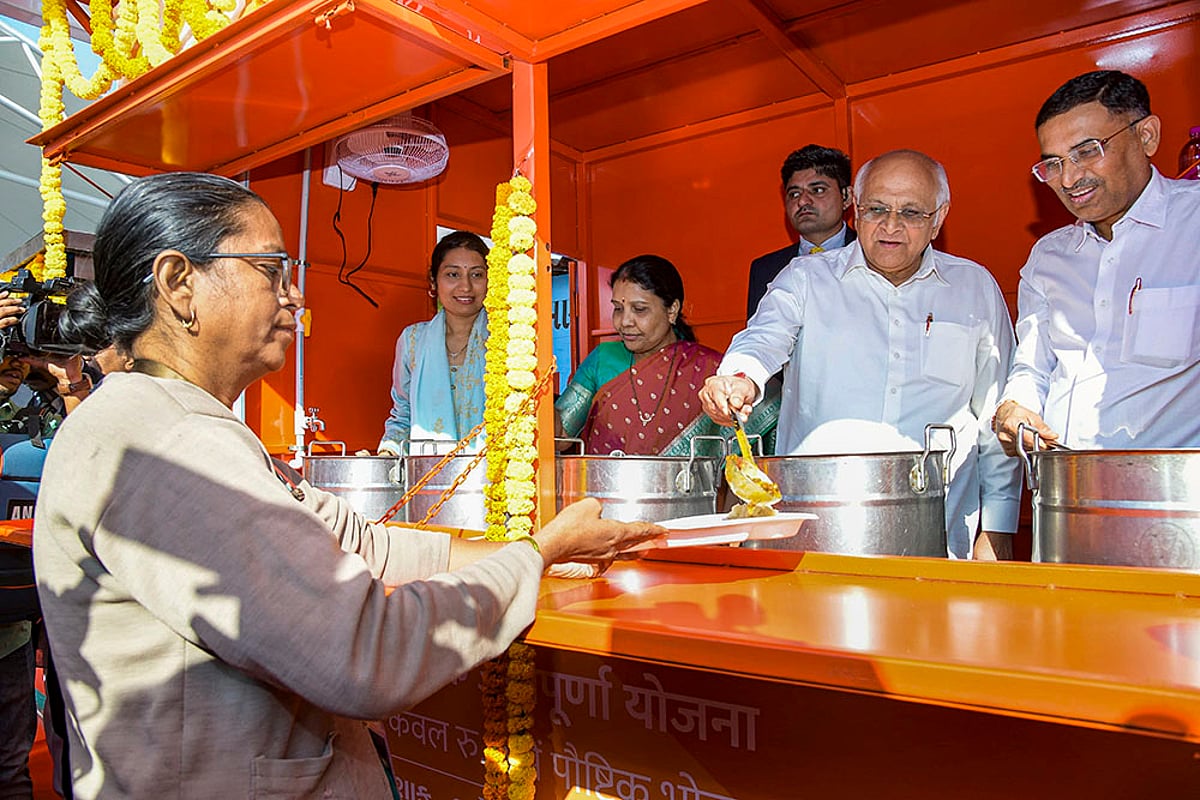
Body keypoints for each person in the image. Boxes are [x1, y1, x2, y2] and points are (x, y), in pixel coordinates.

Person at [32, 172, 664, 799]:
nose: (295, 296)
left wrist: (544, 550)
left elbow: (362, 543)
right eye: (271, 270)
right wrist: (536, 556)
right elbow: (362, 650)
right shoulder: (160, 444)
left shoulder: (185, 425)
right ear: (179, 283)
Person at [701, 150, 1022, 561]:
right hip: (815, 535)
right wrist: (739, 377)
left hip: (937, 533)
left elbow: (994, 415)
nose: (891, 226)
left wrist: (998, 529)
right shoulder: (806, 279)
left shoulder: (973, 288)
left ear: (939, 217)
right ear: (855, 209)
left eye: (910, 212)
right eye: (876, 209)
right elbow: (762, 338)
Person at [993, 70, 1200, 453]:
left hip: (1174, 499)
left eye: (1087, 151)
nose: (1069, 178)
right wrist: (1014, 408)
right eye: (1053, 164)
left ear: (1146, 135)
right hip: (1063, 493)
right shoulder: (1048, 256)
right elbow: (1033, 368)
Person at [557, 255, 777, 457]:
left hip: (689, 498)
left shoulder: (710, 368)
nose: (624, 322)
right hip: (606, 495)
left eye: (640, 309)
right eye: (618, 309)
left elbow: (764, 417)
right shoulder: (603, 358)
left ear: (672, 310)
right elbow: (560, 439)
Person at [376, 230, 489, 456]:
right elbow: (403, 415)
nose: (465, 287)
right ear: (433, 281)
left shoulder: (509, 339)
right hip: (429, 479)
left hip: (494, 478)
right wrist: (386, 455)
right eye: (453, 275)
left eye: (476, 275)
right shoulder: (413, 340)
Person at [746, 145, 856, 319]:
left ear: (847, 197)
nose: (803, 201)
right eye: (794, 194)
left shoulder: (872, 254)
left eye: (817, 190)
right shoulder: (765, 269)